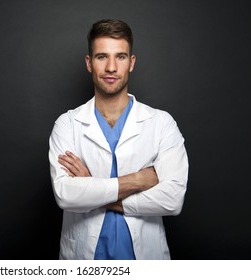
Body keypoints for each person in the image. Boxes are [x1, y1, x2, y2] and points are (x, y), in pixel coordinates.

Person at [48, 19, 189, 260]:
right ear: (89, 63)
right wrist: (137, 180)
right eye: (102, 56)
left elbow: (172, 200)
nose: (111, 67)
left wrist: (91, 186)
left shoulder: (161, 123)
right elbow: (66, 194)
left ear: (131, 63)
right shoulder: (67, 124)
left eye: (121, 57)